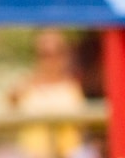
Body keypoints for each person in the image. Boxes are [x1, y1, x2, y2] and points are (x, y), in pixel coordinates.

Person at [8, 29, 86, 158]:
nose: (51, 60)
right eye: (44, 54)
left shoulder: (73, 86)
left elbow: (82, 125)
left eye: (57, 53)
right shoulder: (24, 85)